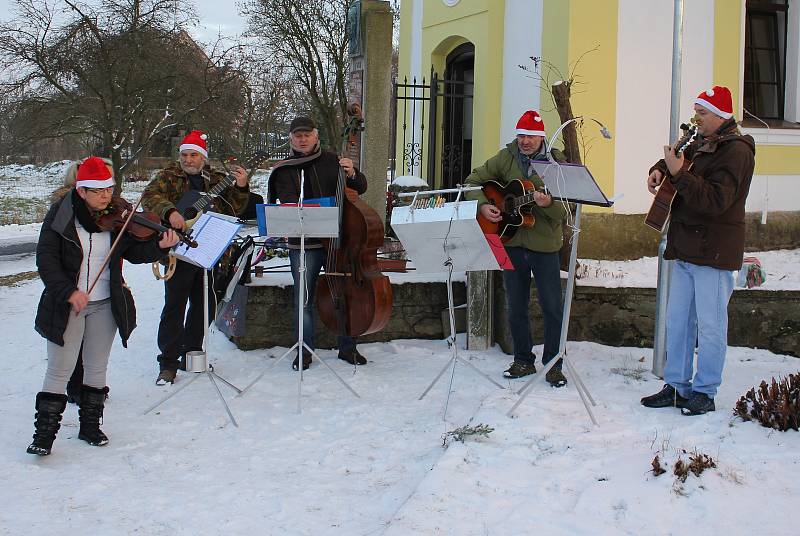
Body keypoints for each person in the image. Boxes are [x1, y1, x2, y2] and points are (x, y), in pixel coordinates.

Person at [28, 157, 179, 456]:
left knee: (96, 366)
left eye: (108, 189)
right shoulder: (61, 216)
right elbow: (47, 260)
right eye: (97, 191)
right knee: (60, 368)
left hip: (105, 302)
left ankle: (90, 426)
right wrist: (69, 292)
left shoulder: (117, 215)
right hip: (68, 304)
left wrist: (159, 247)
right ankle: (44, 435)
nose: (105, 196)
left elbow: (134, 252)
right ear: (81, 191)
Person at [641, 85, 755, 415]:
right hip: (687, 246)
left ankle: (705, 391)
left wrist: (678, 174)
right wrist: (659, 170)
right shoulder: (702, 140)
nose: (696, 118)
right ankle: (677, 386)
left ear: (720, 115)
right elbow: (680, 160)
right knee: (678, 322)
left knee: (710, 326)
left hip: (714, 250)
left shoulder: (737, 151)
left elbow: (717, 201)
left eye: (702, 113)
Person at [465, 110, 569, 387]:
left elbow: (565, 210)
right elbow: (473, 181)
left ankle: (553, 363)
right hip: (510, 242)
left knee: (551, 306)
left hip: (545, 245)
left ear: (542, 137)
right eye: (521, 135)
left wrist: (548, 204)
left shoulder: (555, 163)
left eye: (531, 136)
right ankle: (523, 359)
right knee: (515, 306)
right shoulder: (506, 157)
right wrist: (482, 205)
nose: (525, 141)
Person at [141, 130, 250, 385]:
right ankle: (167, 362)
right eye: (184, 154)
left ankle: (191, 353)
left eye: (193, 155)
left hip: (211, 251)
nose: (188, 160)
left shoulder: (217, 179)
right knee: (174, 306)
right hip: (179, 253)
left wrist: (242, 185)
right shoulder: (169, 176)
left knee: (205, 306)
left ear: (203, 158)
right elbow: (149, 197)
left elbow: (237, 207)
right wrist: (169, 212)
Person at [267, 116, 368, 371]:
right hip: (304, 244)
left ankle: (348, 347)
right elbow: (288, 203)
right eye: (297, 136)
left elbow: (361, 186)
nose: (302, 139)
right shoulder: (285, 169)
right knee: (304, 298)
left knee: (345, 294)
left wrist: (352, 172)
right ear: (291, 139)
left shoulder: (334, 161)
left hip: (338, 241)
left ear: (316, 136)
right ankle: (304, 350)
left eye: (307, 135)